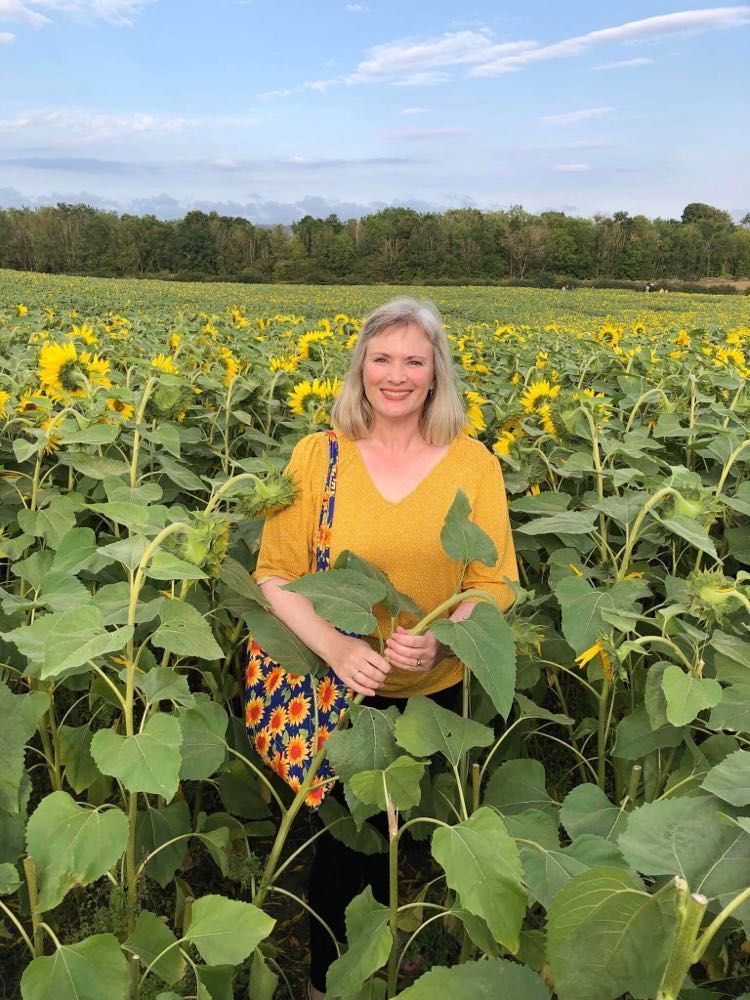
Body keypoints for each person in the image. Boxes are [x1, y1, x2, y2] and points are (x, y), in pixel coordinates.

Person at [253, 297, 518, 998]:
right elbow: (275, 574)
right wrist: (338, 652)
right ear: (359, 368)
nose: (395, 376)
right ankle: (326, 980)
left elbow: (495, 581)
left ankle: (389, 955)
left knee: (418, 842)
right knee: (349, 845)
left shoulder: (474, 464)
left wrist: (443, 637)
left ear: (436, 375)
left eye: (413, 361)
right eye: (381, 359)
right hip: (343, 688)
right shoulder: (319, 456)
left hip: (436, 692)